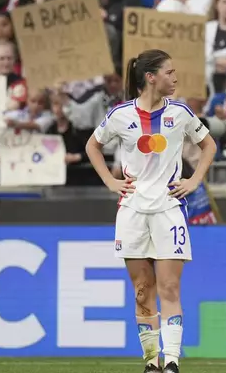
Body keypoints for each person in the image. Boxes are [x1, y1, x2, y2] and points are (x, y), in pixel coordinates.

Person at [85, 49, 217, 373]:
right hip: (131, 210)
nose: (175, 78)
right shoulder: (120, 115)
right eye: (169, 72)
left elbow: (209, 145)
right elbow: (93, 145)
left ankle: (171, 360)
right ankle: (151, 361)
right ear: (150, 77)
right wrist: (110, 182)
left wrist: (194, 180)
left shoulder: (181, 113)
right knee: (143, 290)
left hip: (169, 208)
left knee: (169, 287)